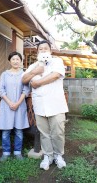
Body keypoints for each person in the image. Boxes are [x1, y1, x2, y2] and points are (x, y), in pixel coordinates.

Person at [22, 40, 68, 170]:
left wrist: (37, 83)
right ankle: (48, 156)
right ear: (37, 52)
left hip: (56, 104)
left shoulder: (57, 61)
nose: (43, 50)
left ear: (50, 50)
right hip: (40, 105)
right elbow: (24, 79)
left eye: (45, 48)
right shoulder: (33, 66)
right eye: (40, 49)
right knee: (44, 133)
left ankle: (59, 155)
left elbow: (56, 75)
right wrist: (36, 71)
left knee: (58, 132)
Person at [0, 51, 30, 161]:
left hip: (20, 105)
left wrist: (18, 103)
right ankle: (5, 153)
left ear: (21, 61)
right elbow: (1, 91)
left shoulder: (24, 74)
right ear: (9, 61)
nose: (15, 61)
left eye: (17, 59)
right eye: (13, 59)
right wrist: (10, 103)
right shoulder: (4, 74)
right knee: (6, 130)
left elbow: (26, 90)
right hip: (7, 105)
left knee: (19, 130)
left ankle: (17, 152)